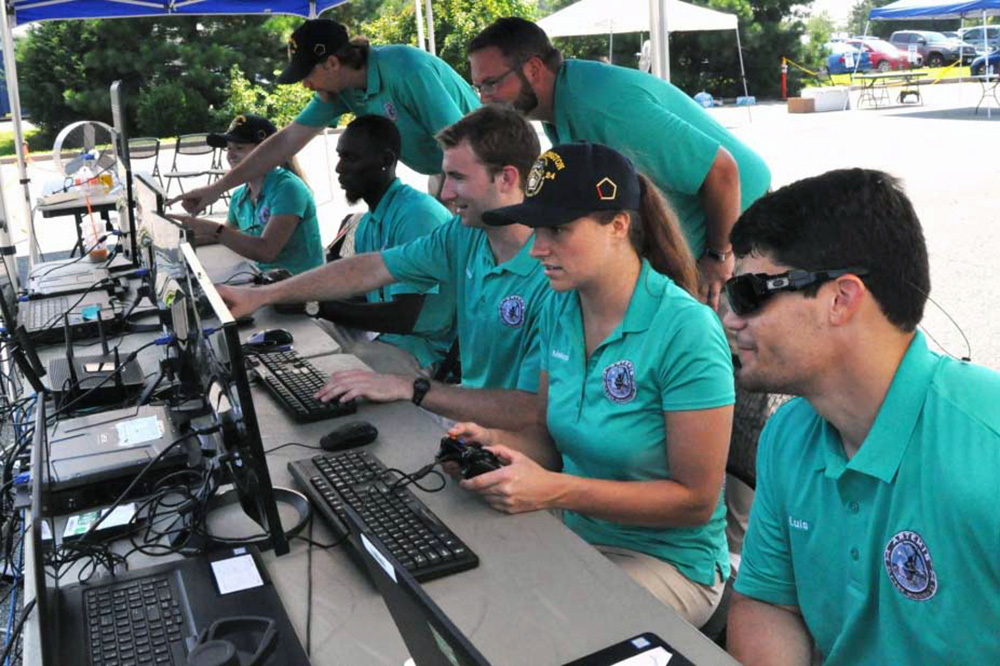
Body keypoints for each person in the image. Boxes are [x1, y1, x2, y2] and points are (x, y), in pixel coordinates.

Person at [448, 143, 735, 628]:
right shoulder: (560, 307)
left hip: (668, 562)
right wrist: (495, 445)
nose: (538, 247)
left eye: (557, 229)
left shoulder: (686, 330)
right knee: (462, 586)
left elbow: (695, 501)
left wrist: (554, 491)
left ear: (618, 225)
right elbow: (547, 437)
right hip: (577, 529)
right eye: (537, 228)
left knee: (533, 629)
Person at [723, 169, 1000, 665]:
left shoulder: (987, 447)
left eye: (748, 293)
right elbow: (768, 601)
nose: (729, 317)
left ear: (840, 298)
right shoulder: (787, 434)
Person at [215, 106, 552, 429]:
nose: (446, 194)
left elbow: (531, 410)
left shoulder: (553, 272)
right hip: (473, 417)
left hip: (509, 441)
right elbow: (372, 268)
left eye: (457, 177)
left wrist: (412, 388)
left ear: (507, 178)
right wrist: (261, 295)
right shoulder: (464, 234)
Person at [467, 17, 771, 309]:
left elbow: (722, 171)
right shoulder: (560, 104)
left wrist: (720, 257)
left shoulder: (603, 108)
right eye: (479, 87)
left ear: (533, 69)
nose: (484, 97)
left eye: (491, 84)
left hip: (738, 228)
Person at [172, 18, 480, 214]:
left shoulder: (406, 68)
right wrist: (215, 190)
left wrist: (449, 197)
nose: (305, 85)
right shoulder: (339, 90)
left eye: (307, 74)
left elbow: (462, 144)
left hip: (482, 162)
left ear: (332, 63)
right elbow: (285, 143)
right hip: (445, 171)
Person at [315, 114, 457, 376]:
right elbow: (366, 295)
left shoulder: (417, 215)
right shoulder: (369, 222)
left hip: (425, 349)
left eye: (350, 158)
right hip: (387, 337)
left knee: (336, 375)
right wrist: (304, 295)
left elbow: (403, 316)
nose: (339, 168)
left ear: (387, 161)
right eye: (340, 156)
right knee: (307, 340)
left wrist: (319, 306)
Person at [169, 113, 323, 276]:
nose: (230, 155)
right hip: (267, 278)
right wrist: (179, 236)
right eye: (228, 148)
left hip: (302, 288)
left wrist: (213, 229)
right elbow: (228, 233)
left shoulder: (287, 188)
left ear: (265, 152)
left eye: (240, 148)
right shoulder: (240, 195)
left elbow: (266, 251)